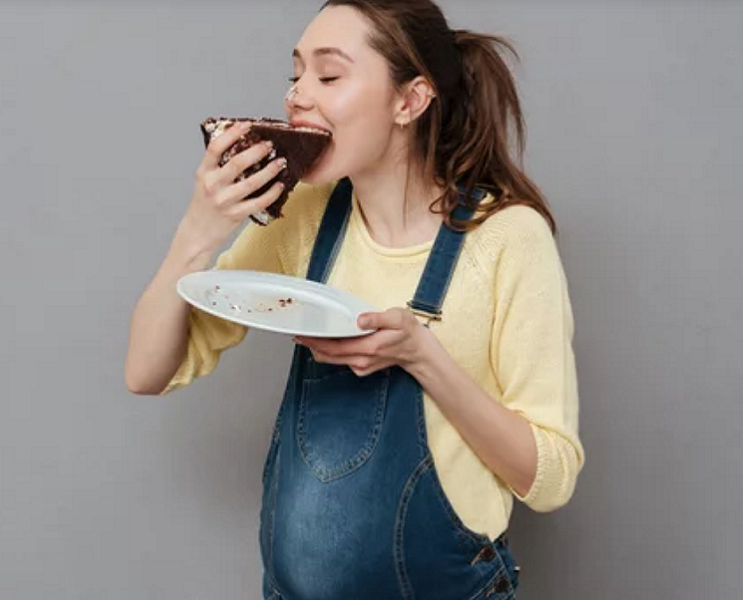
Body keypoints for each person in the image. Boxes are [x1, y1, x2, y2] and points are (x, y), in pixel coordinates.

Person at [125, 1, 584, 598]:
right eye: (295, 75)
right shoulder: (305, 219)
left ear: (409, 101)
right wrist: (198, 231)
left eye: (329, 75)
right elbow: (145, 372)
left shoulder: (507, 239)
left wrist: (422, 357)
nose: (297, 96)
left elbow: (549, 479)